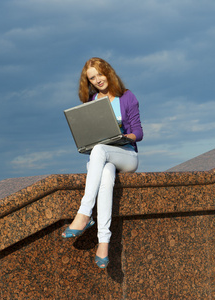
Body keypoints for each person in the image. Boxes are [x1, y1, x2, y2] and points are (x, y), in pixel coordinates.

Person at [62, 57, 143, 269]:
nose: (98, 80)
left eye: (100, 74)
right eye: (92, 78)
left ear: (108, 72)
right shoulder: (91, 102)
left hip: (126, 154)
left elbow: (139, 133)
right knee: (106, 173)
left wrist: (125, 137)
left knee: (99, 150)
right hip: (102, 158)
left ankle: (84, 213)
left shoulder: (127, 97)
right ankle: (103, 243)